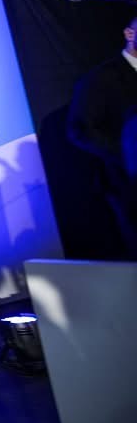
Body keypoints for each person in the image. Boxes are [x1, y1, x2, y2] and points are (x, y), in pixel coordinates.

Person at [67, 15, 137, 258]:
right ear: (129, 34)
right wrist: (129, 156)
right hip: (127, 183)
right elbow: (81, 130)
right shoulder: (102, 77)